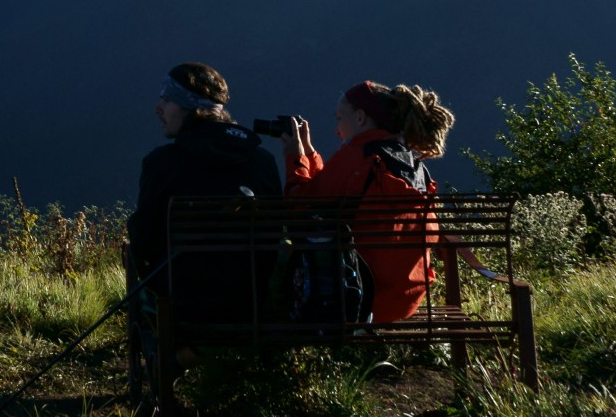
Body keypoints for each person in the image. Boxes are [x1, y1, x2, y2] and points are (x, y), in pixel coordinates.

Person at [280, 81, 456, 323]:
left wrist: (295, 159)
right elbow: (330, 193)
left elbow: (300, 210)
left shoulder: (358, 158)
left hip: (358, 300)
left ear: (361, 117)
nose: (337, 129)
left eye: (340, 118)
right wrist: (310, 154)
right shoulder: (416, 168)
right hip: (404, 301)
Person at [129, 62, 283, 332]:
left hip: (185, 300)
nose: (159, 108)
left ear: (192, 109)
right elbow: (273, 234)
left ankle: (180, 353)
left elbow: (144, 242)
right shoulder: (262, 161)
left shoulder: (162, 164)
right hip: (253, 299)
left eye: (167, 100)